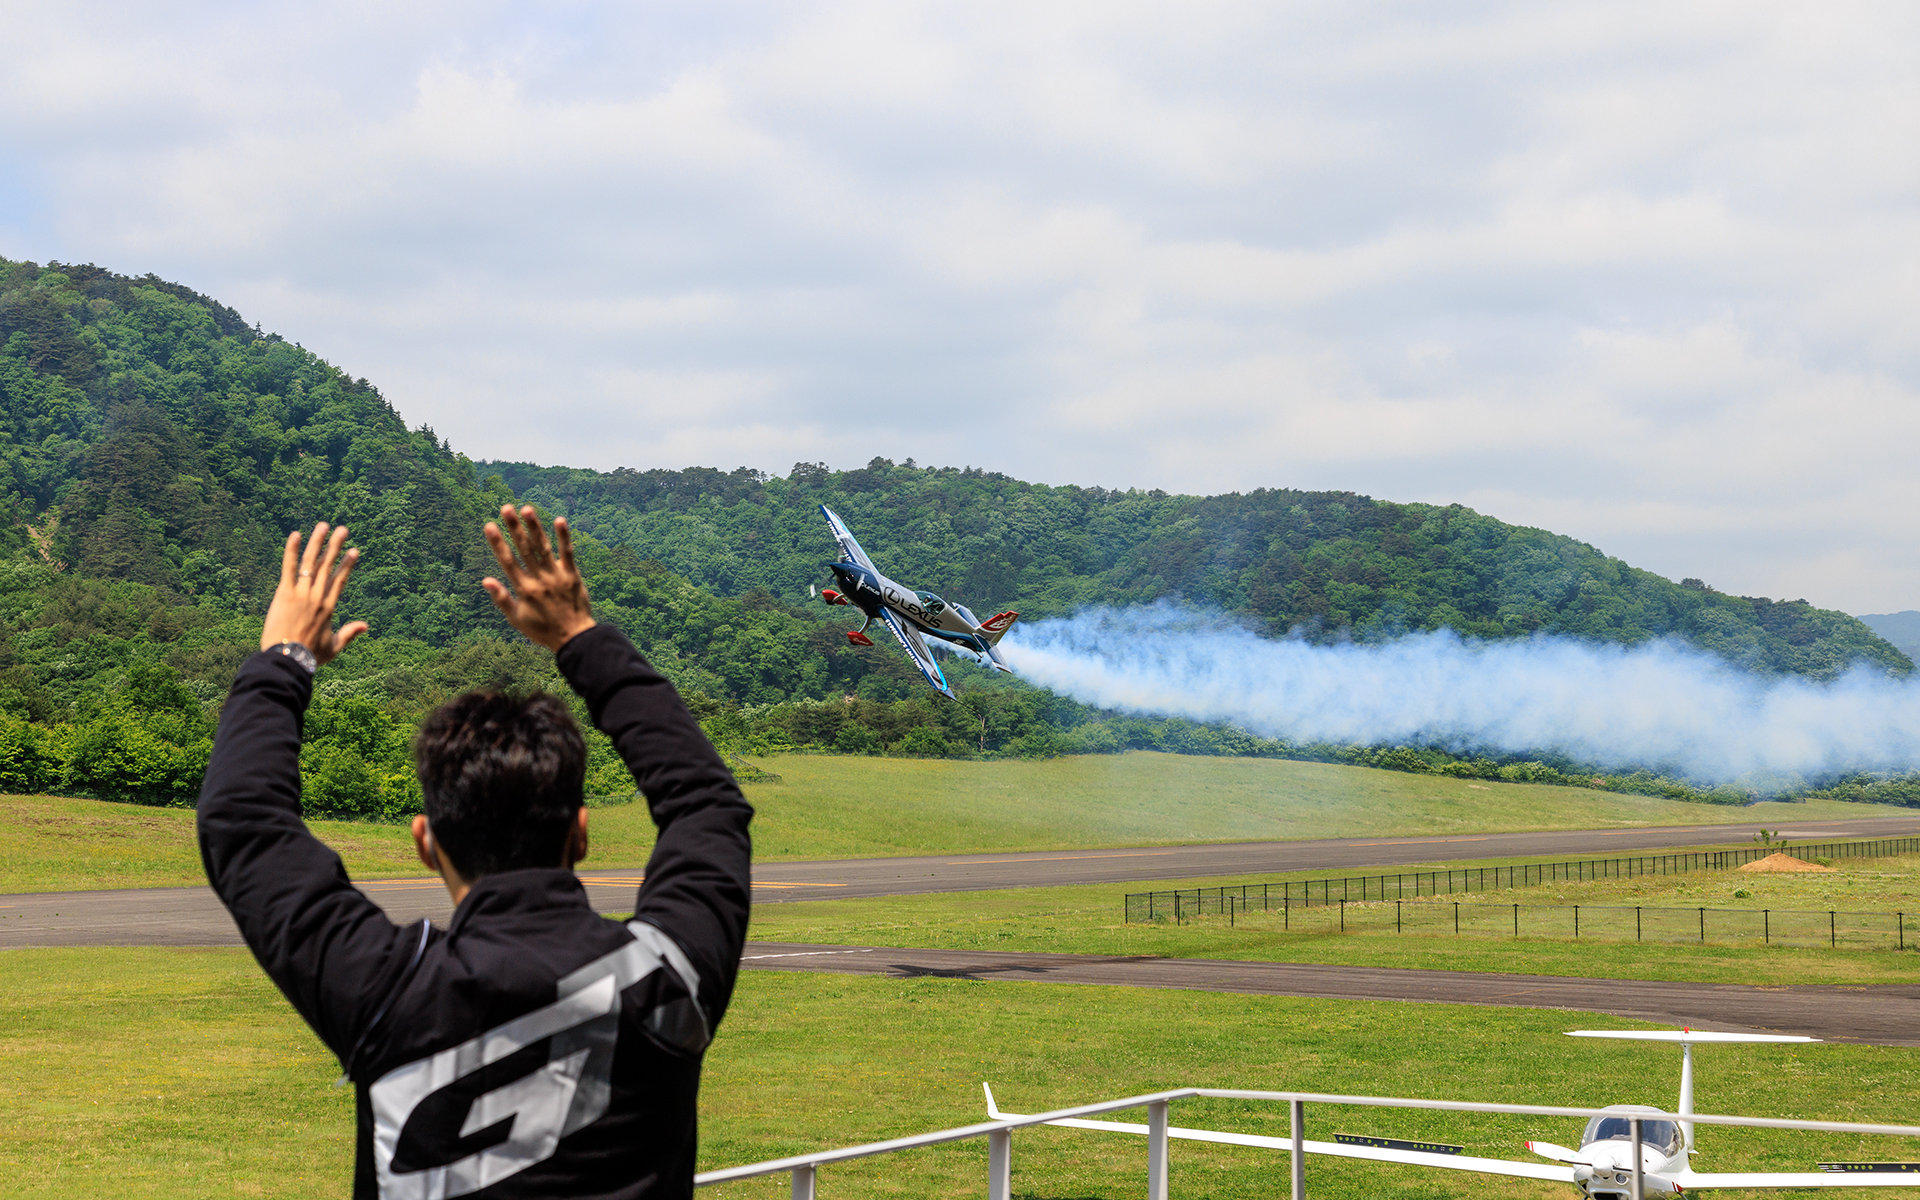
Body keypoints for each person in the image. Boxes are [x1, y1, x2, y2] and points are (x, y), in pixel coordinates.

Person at [197, 507, 754, 1199]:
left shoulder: (384, 994)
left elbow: (240, 822)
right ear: (580, 833)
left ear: (426, 844)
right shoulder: (667, 979)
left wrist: (284, 659)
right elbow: (708, 806)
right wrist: (581, 637)